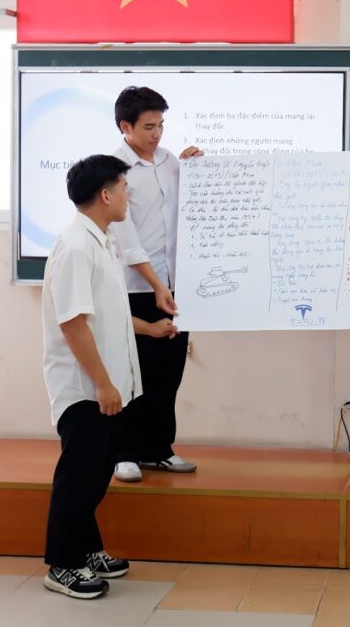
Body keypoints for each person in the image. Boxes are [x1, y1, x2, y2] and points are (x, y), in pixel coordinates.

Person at [41, 154, 141, 599]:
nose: (127, 195)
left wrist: (151, 328)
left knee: (96, 473)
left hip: (105, 385)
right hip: (85, 388)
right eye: (123, 187)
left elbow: (108, 313)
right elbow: (73, 322)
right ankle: (62, 565)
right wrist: (101, 382)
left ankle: (86, 550)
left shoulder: (101, 240)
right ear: (105, 194)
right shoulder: (76, 247)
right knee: (78, 476)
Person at [109, 86, 202, 482]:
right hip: (136, 287)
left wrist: (198, 171)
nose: (157, 134)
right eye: (149, 127)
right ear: (125, 126)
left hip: (175, 283)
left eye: (161, 125)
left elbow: (191, 212)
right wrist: (155, 284)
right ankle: (124, 453)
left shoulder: (170, 163)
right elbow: (126, 237)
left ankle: (159, 449)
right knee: (135, 372)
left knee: (169, 372)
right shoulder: (113, 169)